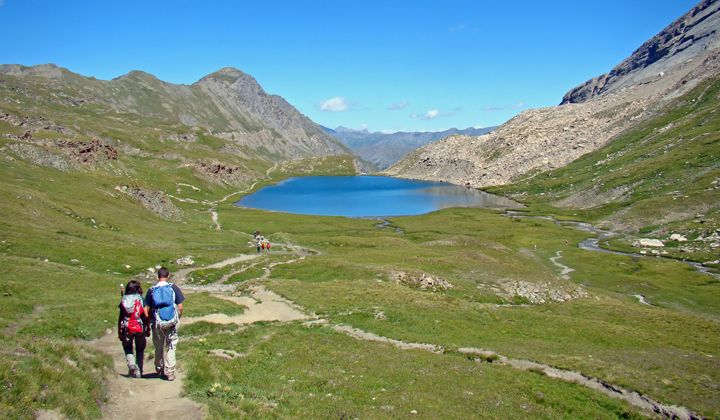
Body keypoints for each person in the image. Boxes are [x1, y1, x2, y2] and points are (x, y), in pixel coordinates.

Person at [144, 267, 185, 381]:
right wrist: (177, 318)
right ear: (168, 275)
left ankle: (159, 369)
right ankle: (170, 372)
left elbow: (145, 309)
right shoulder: (173, 288)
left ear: (158, 276)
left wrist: (149, 321)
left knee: (158, 347)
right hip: (171, 323)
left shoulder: (152, 290)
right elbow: (180, 307)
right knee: (171, 346)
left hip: (157, 323)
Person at [118, 280, 149, 378]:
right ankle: (139, 372)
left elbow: (121, 317)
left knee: (127, 347)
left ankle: (131, 364)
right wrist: (147, 328)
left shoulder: (124, 300)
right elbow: (145, 315)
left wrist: (119, 330)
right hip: (140, 327)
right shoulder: (141, 299)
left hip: (127, 328)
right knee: (140, 349)